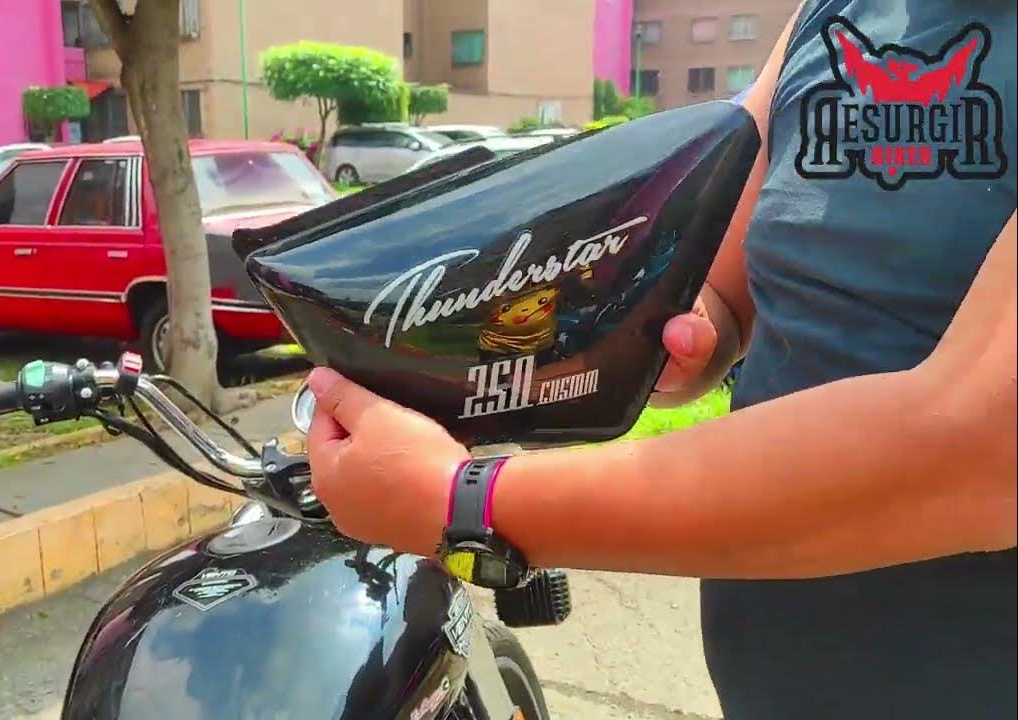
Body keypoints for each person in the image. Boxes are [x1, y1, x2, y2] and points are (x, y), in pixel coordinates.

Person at [302, 1, 1016, 718]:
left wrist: (462, 501)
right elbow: (725, 292)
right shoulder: (830, 12)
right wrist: (660, 335)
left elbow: (980, 447)